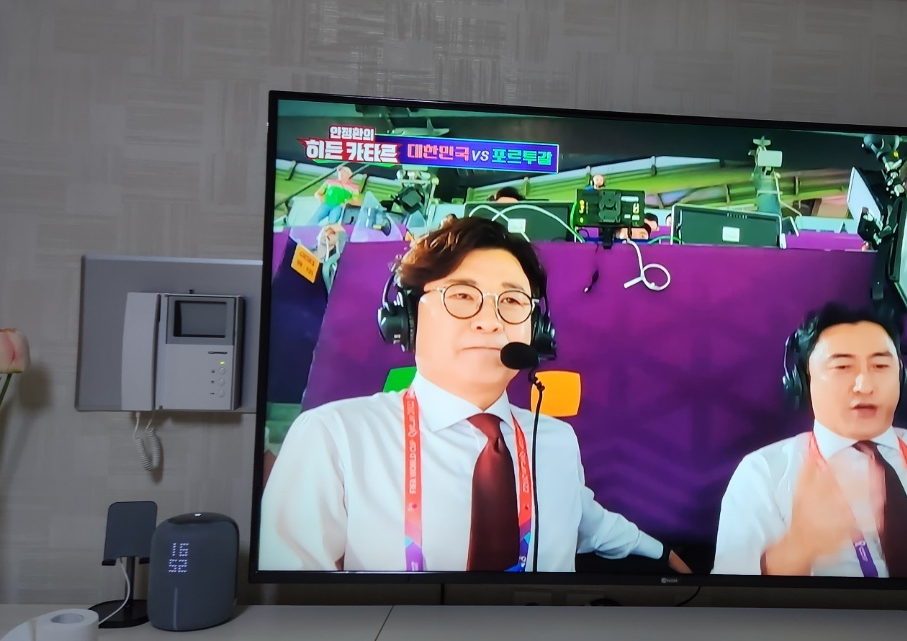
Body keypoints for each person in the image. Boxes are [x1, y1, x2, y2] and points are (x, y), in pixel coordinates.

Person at [260, 216, 681, 572]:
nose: (490, 320)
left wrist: (662, 555)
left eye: (512, 301)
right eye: (462, 295)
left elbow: (583, 517)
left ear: (537, 331)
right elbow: (290, 605)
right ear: (407, 319)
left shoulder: (554, 441)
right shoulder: (334, 438)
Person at [712, 304, 907, 577]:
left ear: (903, 379)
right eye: (842, 367)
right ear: (803, 382)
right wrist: (797, 550)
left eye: (880, 366)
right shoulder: (764, 473)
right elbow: (729, 601)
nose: (864, 386)